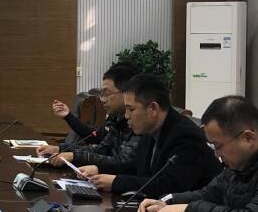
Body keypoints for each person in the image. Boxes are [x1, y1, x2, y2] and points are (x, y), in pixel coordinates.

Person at [84, 73, 219, 198]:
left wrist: (115, 182)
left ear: (153, 109)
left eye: (131, 109)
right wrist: (98, 169)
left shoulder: (186, 137)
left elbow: (168, 186)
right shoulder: (151, 129)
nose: (126, 116)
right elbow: (135, 166)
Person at [37, 63, 140, 172]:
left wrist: (73, 156)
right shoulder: (115, 119)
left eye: (107, 93)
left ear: (126, 93)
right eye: (102, 94)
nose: (102, 100)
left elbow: (124, 163)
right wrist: (61, 149)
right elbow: (101, 148)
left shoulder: (139, 124)